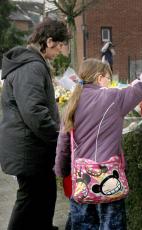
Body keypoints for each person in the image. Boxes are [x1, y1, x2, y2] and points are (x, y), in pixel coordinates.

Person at [54, 56, 142, 229]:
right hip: (108, 177)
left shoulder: (72, 102)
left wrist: (61, 171)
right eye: (109, 78)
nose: (110, 82)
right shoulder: (113, 98)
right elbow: (141, 86)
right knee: (111, 223)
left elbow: (63, 144)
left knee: (83, 223)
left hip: (81, 178)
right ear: (100, 77)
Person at [0, 18, 70, 230]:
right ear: (49, 41)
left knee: (45, 193)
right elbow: (33, 112)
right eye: (60, 46)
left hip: (29, 147)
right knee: (29, 198)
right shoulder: (31, 67)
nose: (60, 51)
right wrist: (58, 136)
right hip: (27, 149)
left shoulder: (30, 63)